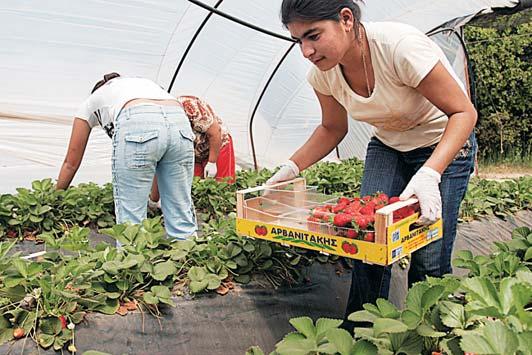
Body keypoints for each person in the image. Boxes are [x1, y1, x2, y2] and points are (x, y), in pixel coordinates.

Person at [269, 0, 477, 330]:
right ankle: (361, 335)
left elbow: (464, 113)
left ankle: (429, 336)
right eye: (299, 41)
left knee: (428, 255)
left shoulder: (399, 48)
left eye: (313, 36)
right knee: (367, 240)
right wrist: (291, 168)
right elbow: (332, 128)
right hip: (389, 144)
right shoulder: (323, 74)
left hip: (443, 144)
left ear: (346, 19)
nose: (306, 51)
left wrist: (430, 173)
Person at [56, 73, 197, 240]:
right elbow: (158, 161)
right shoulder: (145, 84)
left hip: (136, 118)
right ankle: (189, 257)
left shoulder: (91, 102)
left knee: (132, 220)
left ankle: (134, 262)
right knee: (181, 213)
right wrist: (153, 200)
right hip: (179, 119)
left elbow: (71, 163)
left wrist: (55, 197)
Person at [150, 95, 236, 203]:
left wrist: (212, 162)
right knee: (194, 188)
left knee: (221, 186)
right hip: (192, 152)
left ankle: (223, 211)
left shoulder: (190, 106)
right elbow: (160, 164)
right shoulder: (156, 125)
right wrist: (154, 199)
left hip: (217, 144)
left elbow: (215, 132)